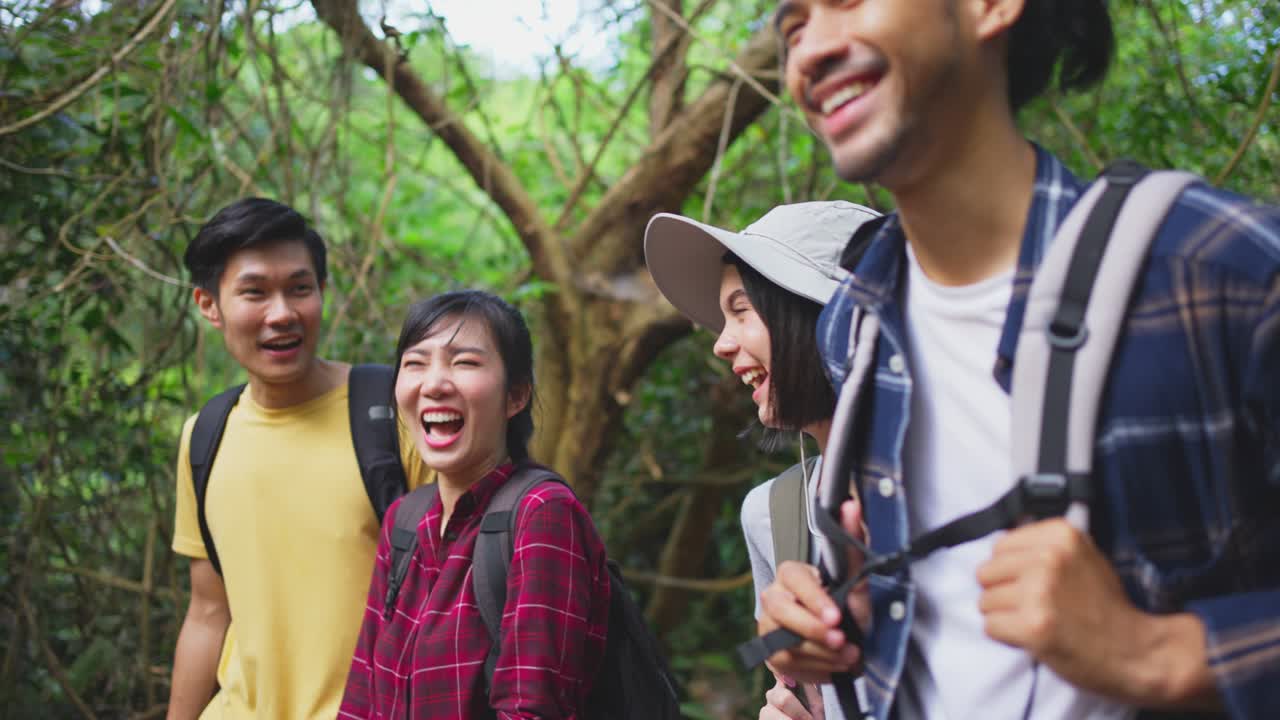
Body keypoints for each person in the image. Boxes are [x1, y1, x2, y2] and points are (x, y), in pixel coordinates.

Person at [756, 1, 1280, 718]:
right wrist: (836, 623)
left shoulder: (1218, 272)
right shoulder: (856, 329)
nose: (809, 50)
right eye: (793, 27)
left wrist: (1162, 653)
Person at [167, 198, 431, 719]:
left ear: (322, 293)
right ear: (208, 304)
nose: (282, 313)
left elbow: (459, 596)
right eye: (254, 292)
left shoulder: (395, 413)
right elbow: (207, 612)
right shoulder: (205, 435)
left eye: (299, 288)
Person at [645, 200, 879, 719]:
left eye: (741, 311)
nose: (721, 345)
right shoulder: (775, 513)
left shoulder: (958, 486)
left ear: (825, 319)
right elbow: (792, 682)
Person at [339, 290, 612, 719]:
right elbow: (361, 701)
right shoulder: (404, 521)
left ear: (516, 396)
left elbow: (531, 711)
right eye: (415, 363)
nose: (434, 384)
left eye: (464, 362)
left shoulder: (542, 514)